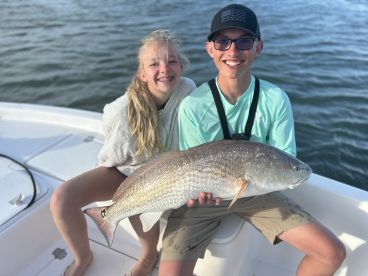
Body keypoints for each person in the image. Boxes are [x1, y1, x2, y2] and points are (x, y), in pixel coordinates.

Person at [158, 4, 346, 276]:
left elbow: (283, 160)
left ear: (258, 47)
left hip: (259, 192)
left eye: (244, 41)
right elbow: (191, 167)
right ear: (210, 48)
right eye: (223, 41)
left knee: (332, 253)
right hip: (205, 199)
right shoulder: (193, 106)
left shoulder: (275, 99)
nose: (233, 51)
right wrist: (196, 194)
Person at [50, 29, 196, 276]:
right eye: (154, 64)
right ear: (142, 74)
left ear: (181, 67)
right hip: (125, 170)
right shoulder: (121, 112)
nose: (164, 68)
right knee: (62, 198)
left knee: (146, 189)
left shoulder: (188, 90)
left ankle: (149, 254)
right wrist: (135, 180)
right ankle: (83, 257)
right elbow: (112, 160)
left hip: (172, 174)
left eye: (172, 61)